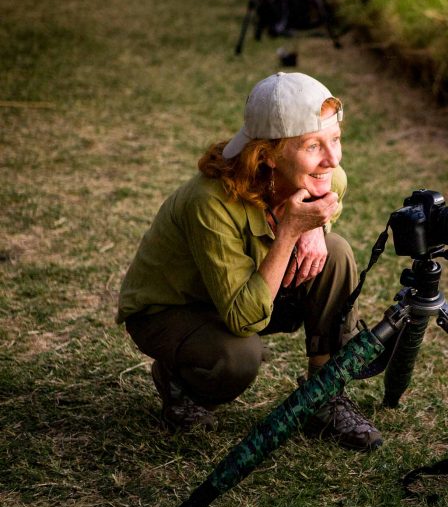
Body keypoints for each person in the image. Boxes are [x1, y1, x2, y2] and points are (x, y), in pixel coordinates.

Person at [116, 72, 382, 451]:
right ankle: (178, 380)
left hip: (245, 289)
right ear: (268, 154)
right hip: (174, 310)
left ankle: (324, 394)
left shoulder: (323, 174)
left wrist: (313, 227)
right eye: (312, 145)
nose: (332, 157)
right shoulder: (209, 202)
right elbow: (244, 318)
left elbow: (333, 185)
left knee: (335, 253)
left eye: (335, 139)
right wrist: (290, 230)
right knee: (238, 355)